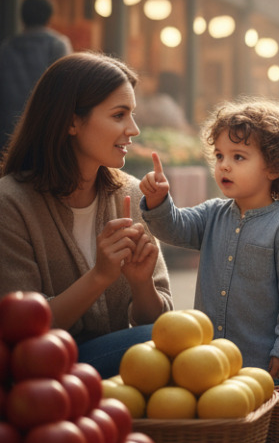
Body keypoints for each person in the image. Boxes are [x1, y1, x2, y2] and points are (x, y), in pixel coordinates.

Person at [0, 52, 171, 377]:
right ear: (71, 121)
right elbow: (20, 331)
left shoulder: (132, 194)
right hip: (44, 376)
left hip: (119, 377)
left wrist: (142, 284)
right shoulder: (10, 202)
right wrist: (99, 277)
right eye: (119, 115)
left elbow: (160, 322)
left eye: (132, 115)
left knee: (181, 338)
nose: (133, 129)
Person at [140, 98, 279, 379]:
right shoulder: (212, 214)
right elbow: (173, 228)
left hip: (259, 366)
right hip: (206, 360)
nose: (224, 165)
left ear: (275, 167)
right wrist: (158, 201)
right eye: (220, 156)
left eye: (239, 157)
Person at [0, 0, 73, 149]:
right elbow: (66, 90)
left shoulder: (7, 47)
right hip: (45, 128)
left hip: (7, 128)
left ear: (22, 17)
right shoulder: (58, 44)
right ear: (50, 16)